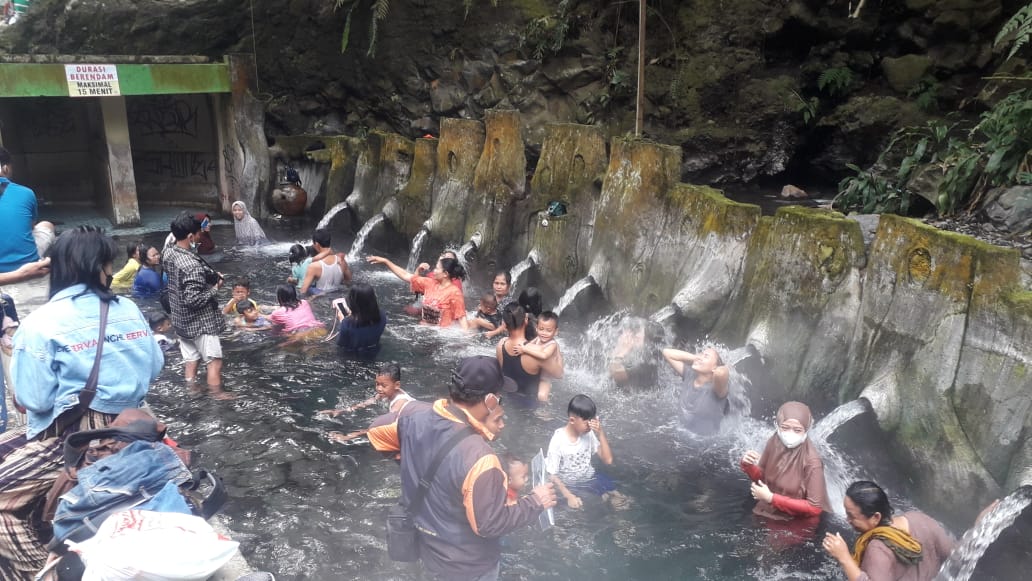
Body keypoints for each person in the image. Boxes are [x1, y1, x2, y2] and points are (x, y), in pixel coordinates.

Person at [0, 226, 163, 579]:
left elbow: (33, 399)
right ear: (100, 267)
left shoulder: (40, 323)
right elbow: (154, 367)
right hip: (132, 427)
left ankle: (43, 572)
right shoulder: (128, 308)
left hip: (81, 439)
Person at [372, 355, 556, 580]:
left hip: (426, 551)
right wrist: (535, 502)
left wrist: (406, 460)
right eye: (498, 397)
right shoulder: (480, 457)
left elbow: (375, 431)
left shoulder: (413, 416)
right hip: (467, 568)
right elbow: (488, 525)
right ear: (490, 400)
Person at [822, 480, 956, 581]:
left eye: (851, 516)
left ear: (876, 517)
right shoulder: (918, 518)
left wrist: (844, 557)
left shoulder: (878, 548)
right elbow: (955, 555)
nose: (847, 520)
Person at [162, 211, 229, 398]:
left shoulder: (167, 252)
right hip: (200, 323)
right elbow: (194, 300)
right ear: (190, 236)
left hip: (180, 319)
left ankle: (191, 391)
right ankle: (217, 396)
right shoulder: (192, 266)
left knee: (191, 359)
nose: (200, 237)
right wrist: (215, 288)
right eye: (198, 234)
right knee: (214, 362)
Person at [740, 401, 830, 521]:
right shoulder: (774, 442)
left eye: (797, 430)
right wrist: (748, 465)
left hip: (797, 522)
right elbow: (762, 479)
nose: (790, 434)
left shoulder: (812, 462)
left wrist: (772, 498)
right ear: (777, 426)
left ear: (806, 430)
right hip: (768, 510)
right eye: (785, 428)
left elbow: (815, 508)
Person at [545, 394, 622, 510]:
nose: (590, 426)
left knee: (620, 499)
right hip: (570, 485)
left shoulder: (588, 434)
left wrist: (600, 433)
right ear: (572, 420)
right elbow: (552, 475)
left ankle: (620, 520)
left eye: (592, 421)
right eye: (587, 422)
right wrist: (568, 496)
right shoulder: (558, 441)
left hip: (589, 477)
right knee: (590, 507)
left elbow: (608, 460)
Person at [368, 255, 468, 329]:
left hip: (442, 335)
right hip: (423, 330)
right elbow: (406, 275)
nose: (434, 270)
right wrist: (386, 261)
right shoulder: (429, 283)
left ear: (445, 274)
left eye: (437, 268)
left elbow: (462, 320)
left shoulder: (454, 292)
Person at [321, 364, 413, 443]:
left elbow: (383, 427)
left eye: (383, 385)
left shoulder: (398, 403)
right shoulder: (386, 393)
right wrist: (341, 410)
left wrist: (350, 436)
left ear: (397, 385)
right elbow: (367, 403)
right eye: (377, 384)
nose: (379, 388)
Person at [662, 346, 729, 436]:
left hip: (706, 443)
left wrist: (725, 366)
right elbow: (667, 352)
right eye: (701, 353)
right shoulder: (689, 375)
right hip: (678, 438)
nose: (700, 356)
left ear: (715, 368)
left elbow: (720, 373)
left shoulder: (717, 389)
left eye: (706, 356)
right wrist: (696, 358)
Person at [514, 311, 564, 401]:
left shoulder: (552, 344)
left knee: (541, 396)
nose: (544, 333)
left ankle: (544, 408)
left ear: (556, 332)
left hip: (545, 377)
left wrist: (524, 350)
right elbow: (528, 344)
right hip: (537, 372)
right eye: (541, 329)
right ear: (536, 328)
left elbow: (544, 356)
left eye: (549, 330)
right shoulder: (538, 338)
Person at [496, 304, 543, 398]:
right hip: (530, 403)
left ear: (504, 324)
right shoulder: (537, 351)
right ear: (526, 320)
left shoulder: (501, 344)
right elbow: (558, 373)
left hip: (508, 397)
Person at [609, 317, 663, 389]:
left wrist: (622, 352)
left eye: (634, 334)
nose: (627, 337)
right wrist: (617, 349)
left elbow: (616, 375)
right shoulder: (633, 353)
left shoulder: (648, 358)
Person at [333, 282, 387, 352]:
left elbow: (340, 344)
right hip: (374, 351)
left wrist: (342, 321)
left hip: (352, 355)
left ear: (353, 302)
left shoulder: (347, 324)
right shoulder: (382, 316)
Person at [299, 229, 351, 295]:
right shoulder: (342, 261)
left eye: (313, 244)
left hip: (320, 299)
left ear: (317, 244)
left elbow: (303, 291)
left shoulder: (314, 266)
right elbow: (348, 281)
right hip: (337, 295)